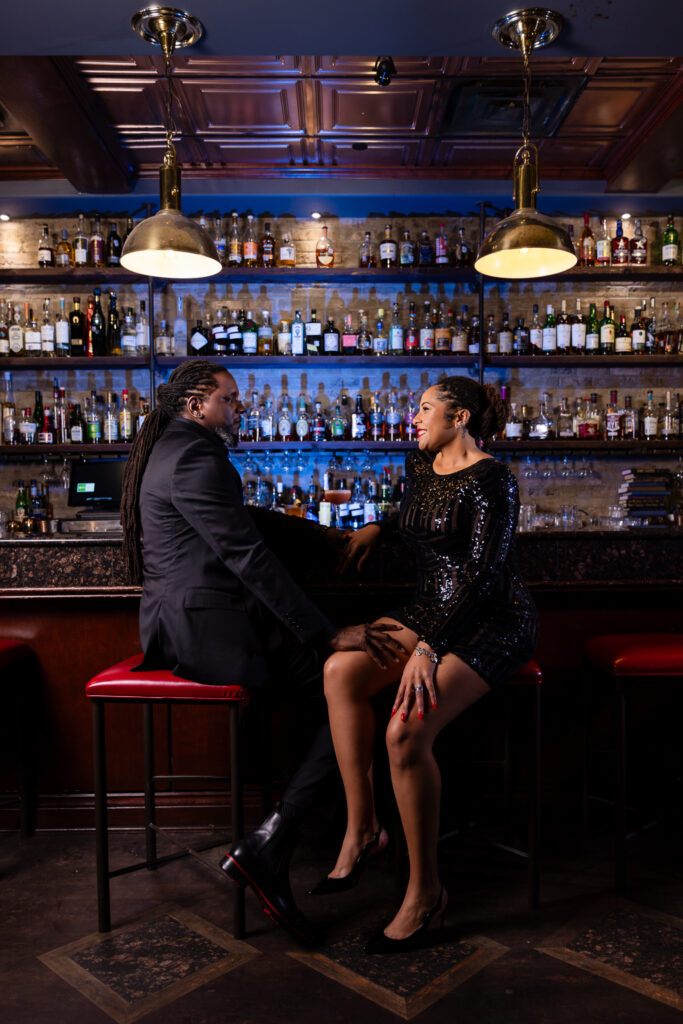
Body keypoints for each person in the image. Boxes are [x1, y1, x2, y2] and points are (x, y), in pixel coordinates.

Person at [120, 359, 403, 945]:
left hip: (192, 621)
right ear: (198, 403)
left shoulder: (175, 447)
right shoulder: (197, 454)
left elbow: (242, 521)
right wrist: (327, 632)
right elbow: (245, 555)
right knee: (348, 685)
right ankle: (275, 839)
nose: (240, 407)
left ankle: (317, 828)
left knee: (336, 693)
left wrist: (324, 537)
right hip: (206, 630)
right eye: (231, 398)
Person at [315, 376, 539, 953]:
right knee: (339, 670)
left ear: (458, 417)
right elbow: (411, 515)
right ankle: (364, 827)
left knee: (404, 732)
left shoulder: (493, 480)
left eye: (423, 408)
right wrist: (376, 527)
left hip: (492, 619)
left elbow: (485, 576)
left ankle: (425, 894)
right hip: (431, 610)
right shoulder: (420, 467)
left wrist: (428, 646)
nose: (413, 418)